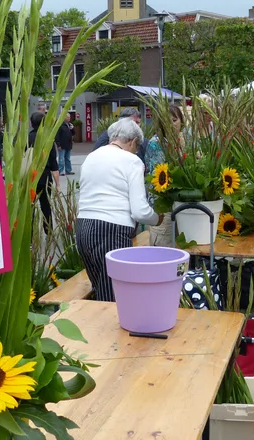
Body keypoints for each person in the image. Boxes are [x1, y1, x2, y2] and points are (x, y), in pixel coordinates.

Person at [76, 119, 161, 301]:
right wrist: (157, 218)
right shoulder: (132, 160)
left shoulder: (91, 157)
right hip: (112, 229)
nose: (136, 150)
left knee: (100, 290)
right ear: (132, 142)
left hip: (83, 226)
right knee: (116, 296)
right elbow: (139, 211)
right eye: (137, 147)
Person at [144, 104, 184, 247]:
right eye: (166, 121)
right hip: (164, 208)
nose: (171, 124)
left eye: (174, 120)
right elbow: (158, 179)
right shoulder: (156, 144)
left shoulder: (183, 141)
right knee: (164, 248)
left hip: (181, 206)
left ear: (181, 121)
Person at [28, 112, 60, 233]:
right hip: (45, 178)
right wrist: (58, 184)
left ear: (31, 123)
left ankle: (29, 237)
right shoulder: (48, 140)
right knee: (46, 206)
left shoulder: (26, 138)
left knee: (29, 208)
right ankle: (49, 231)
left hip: (29, 178)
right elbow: (53, 164)